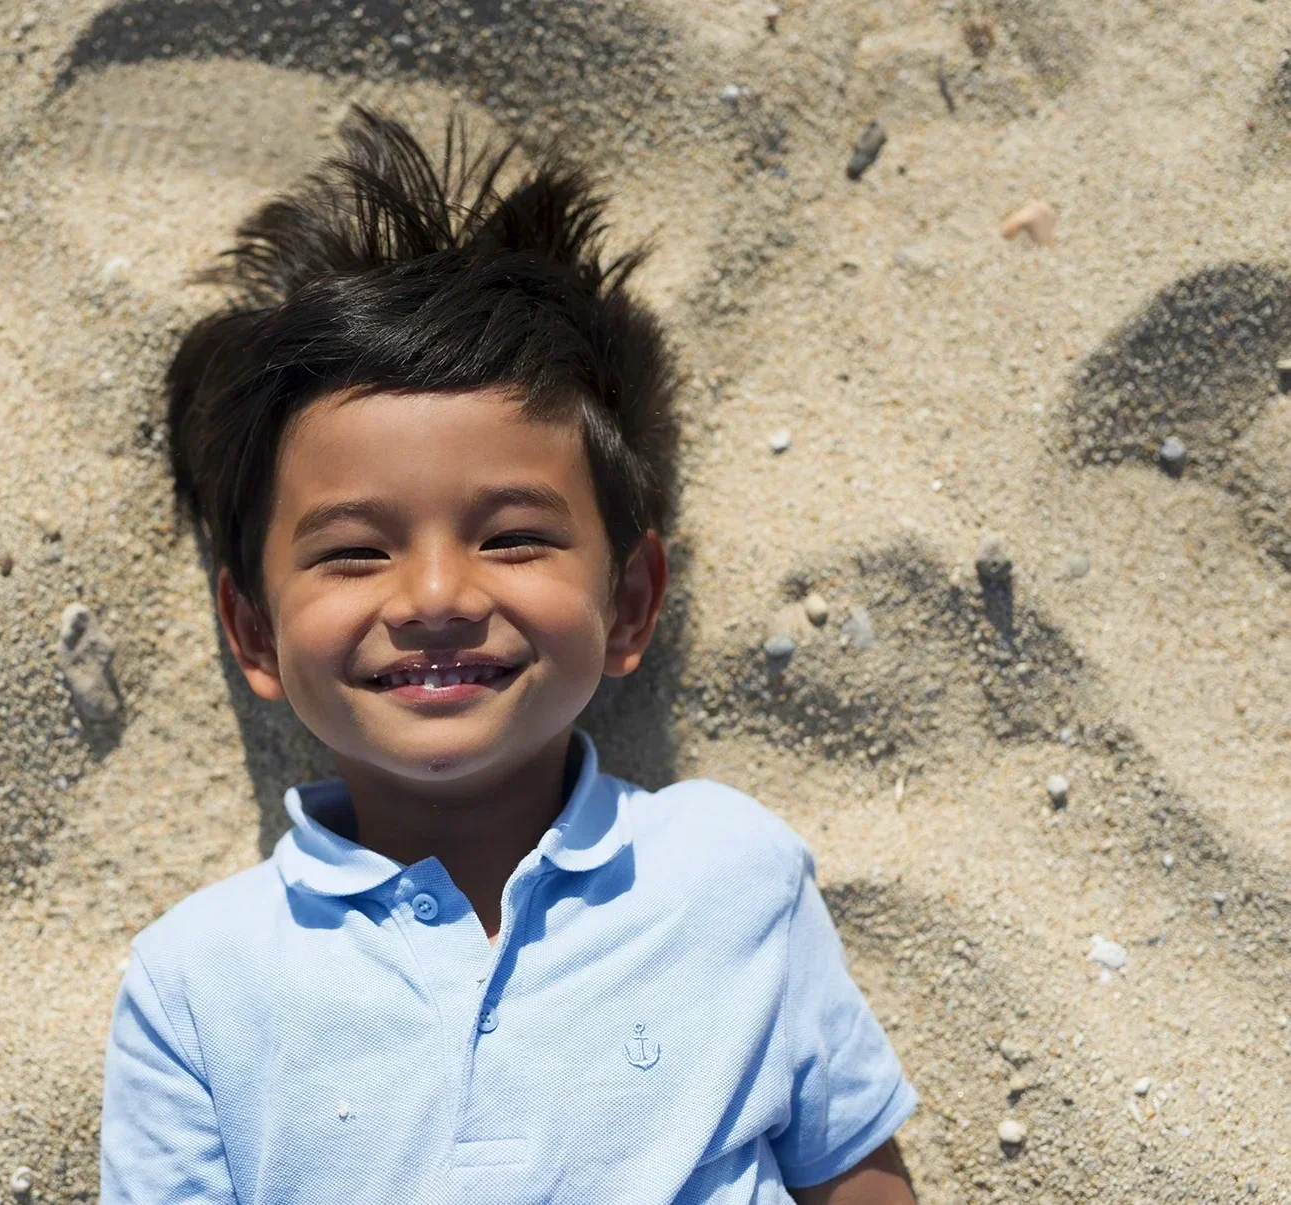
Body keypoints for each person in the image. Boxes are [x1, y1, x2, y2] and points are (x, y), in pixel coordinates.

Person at [99, 108, 919, 1205]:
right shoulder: (196, 981)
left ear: (628, 601)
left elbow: (851, 1173)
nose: (436, 596)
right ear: (253, 632)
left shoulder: (729, 872)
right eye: (353, 550)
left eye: (513, 537)